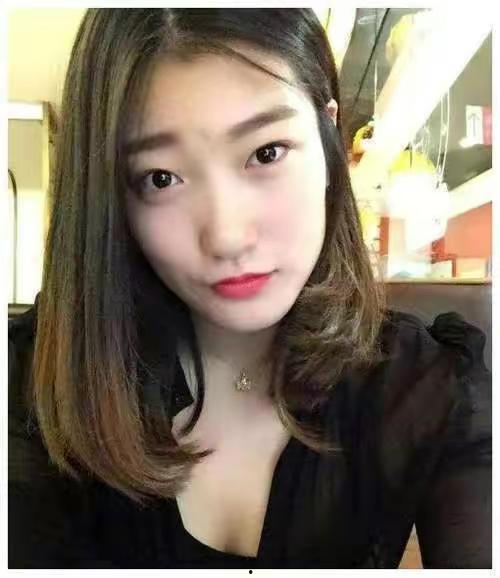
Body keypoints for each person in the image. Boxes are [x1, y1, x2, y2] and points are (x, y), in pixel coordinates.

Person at [8, 8, 491, 569]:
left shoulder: (427, 385)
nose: (227, 236)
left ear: (329, 140)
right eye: (161, 178)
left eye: (266, 153)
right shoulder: (31, 385)